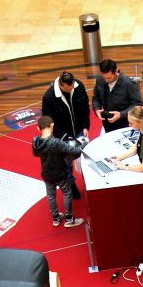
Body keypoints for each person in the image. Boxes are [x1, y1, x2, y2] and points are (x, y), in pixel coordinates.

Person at [107, 104, 143, 266]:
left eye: (131, 123)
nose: (129, 125)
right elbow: (135, 148)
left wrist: (124, 167)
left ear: (139, 121)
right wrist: (120, 157)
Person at [42, 70, 90, 199]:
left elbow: (85, 107)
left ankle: (88, 182)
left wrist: (86, 125)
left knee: (86, 157)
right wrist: (64, 136)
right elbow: (48, 121)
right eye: (67, 90)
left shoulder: (79, 86)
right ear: (61, 85)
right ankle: (71, 184)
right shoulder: (49, 97)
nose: (70, 91)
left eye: (72, 87)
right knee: (66, 164)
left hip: (80, 131)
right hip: (63, 136)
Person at [32, 115, 84, 228]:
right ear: (52, 125)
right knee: (67, 193)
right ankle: (69, 220)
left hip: (46, 173)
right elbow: (75, 151)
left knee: (50, 195)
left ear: (38, 128)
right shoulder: (56, 142)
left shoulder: (35, 140)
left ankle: (55, 218)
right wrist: (82, 145)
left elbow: (36, 154)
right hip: (60, 172)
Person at [91, 59, 143, 133]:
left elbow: (138, 105)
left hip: (126, 125)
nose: (106, 81)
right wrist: (97, 109)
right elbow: (96, 98)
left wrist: (121, 114)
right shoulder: (99, 80)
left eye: (109, 77)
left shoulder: (129, 83)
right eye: (104, 77)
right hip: (108, 126)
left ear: (116, 71)